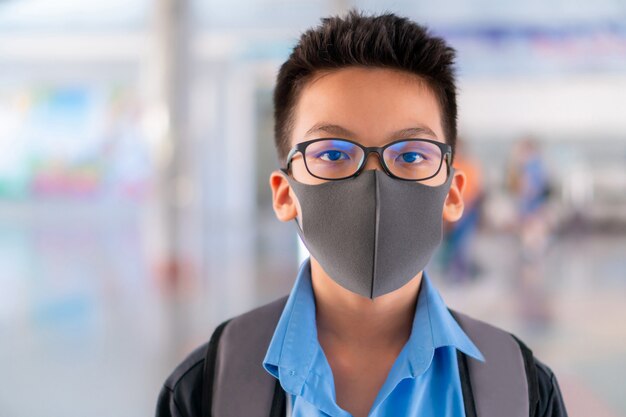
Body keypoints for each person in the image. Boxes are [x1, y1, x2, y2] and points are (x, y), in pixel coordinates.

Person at [156, 10, 567, 417]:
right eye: (332, 153)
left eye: (411, 154)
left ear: (453, 193)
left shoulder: (522, 391)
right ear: (285, 194)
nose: (374, 184)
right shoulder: (204, 392)